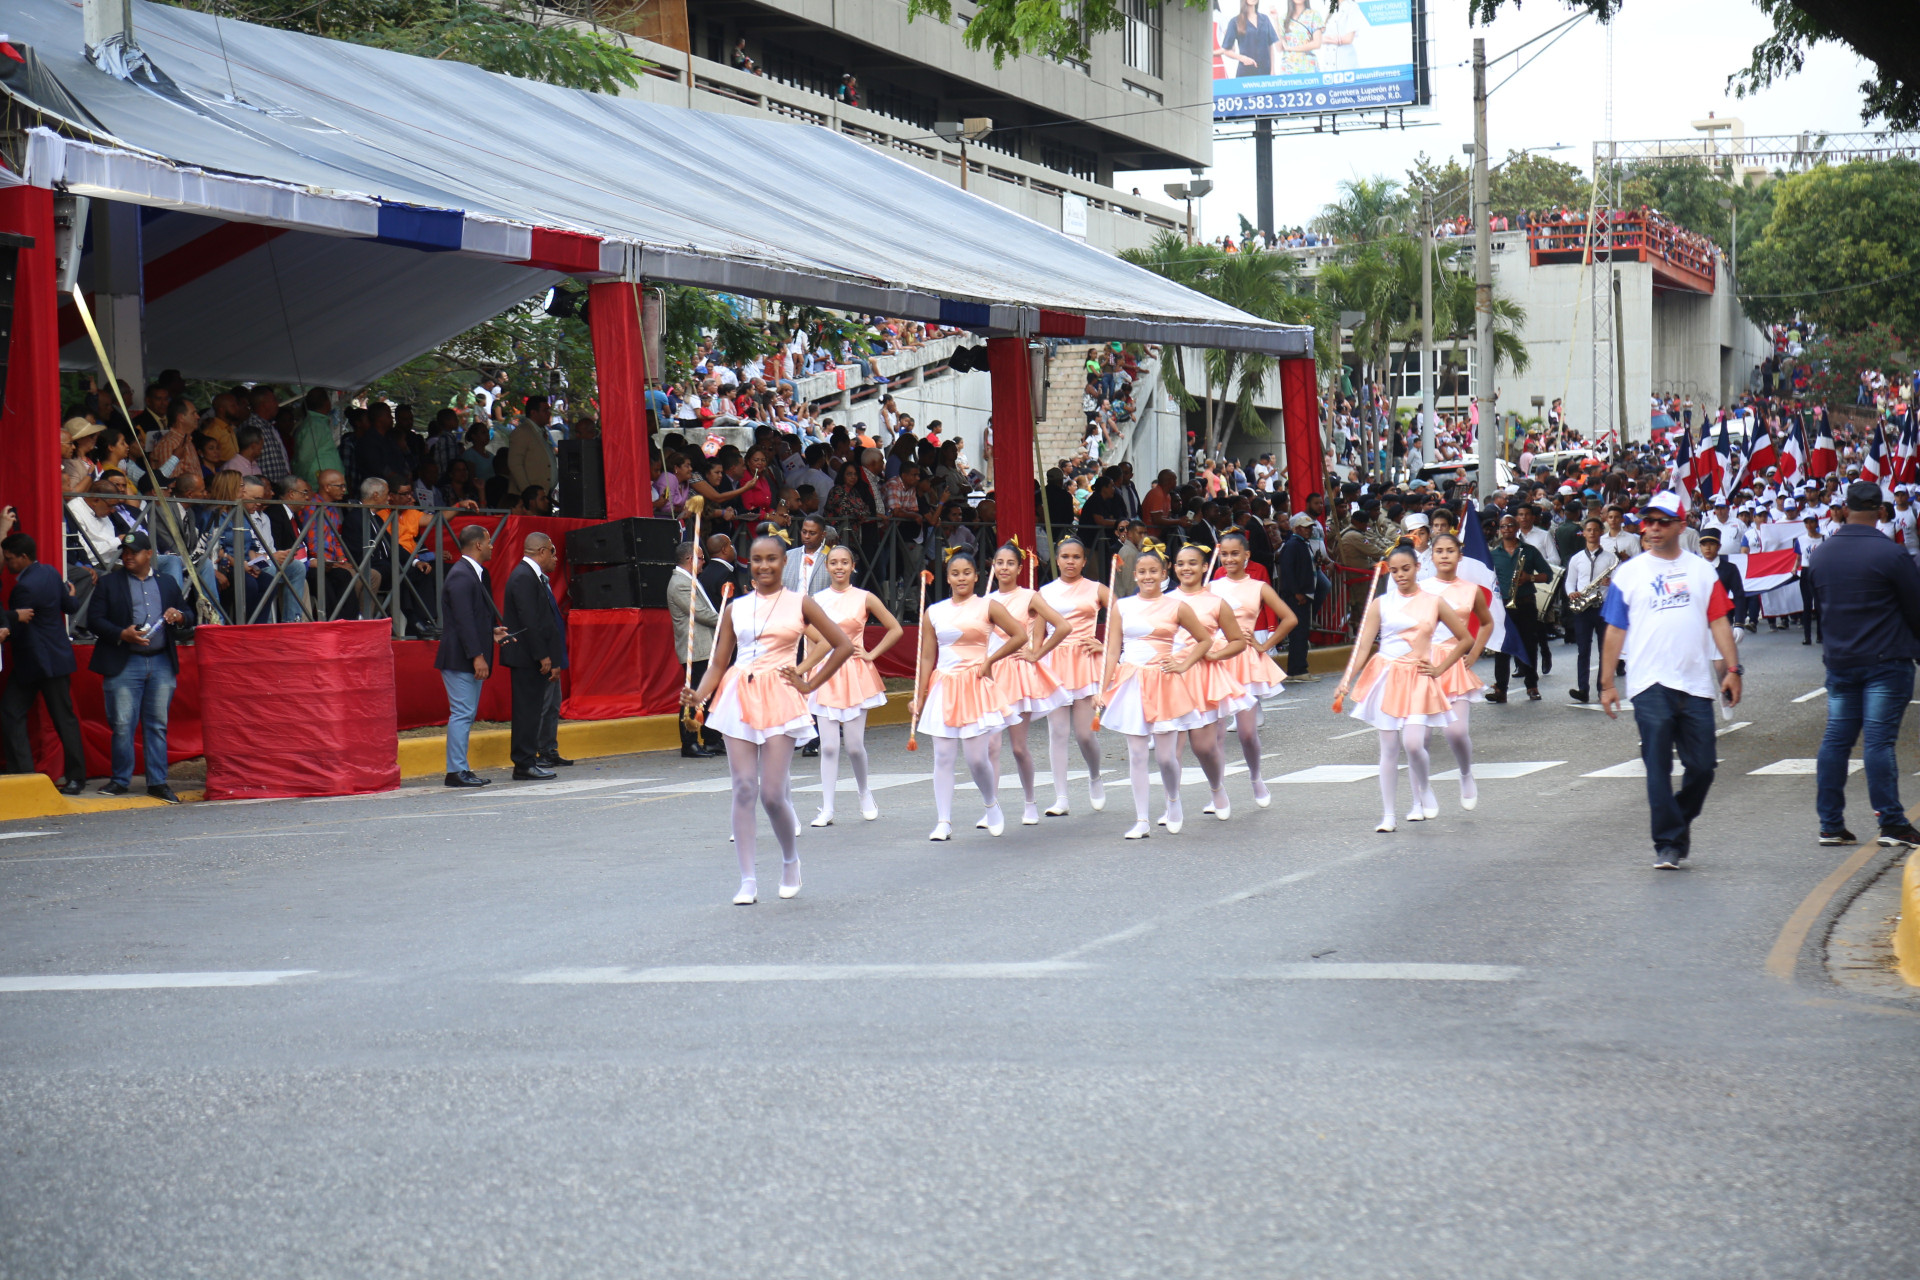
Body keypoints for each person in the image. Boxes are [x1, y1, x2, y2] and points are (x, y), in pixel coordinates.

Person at [683, 534, 855, 904]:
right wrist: (699, 696)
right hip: (738, 695)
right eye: (757, 559)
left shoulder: (800, 603)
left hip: (779, 696)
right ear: (750, 562)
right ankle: (747, 880)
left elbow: (842, 645)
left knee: (774, 794)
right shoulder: (736, 607)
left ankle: (790, 861)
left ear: (783, 563)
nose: (764, 566)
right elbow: (718, 663)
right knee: (744, 788)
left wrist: (809, 684)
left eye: (772, 559)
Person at [1598, 492, 1743, 870]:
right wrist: (1607, 683)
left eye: (1663, 522)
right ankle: (1667, 842)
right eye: (1649, 522)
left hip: (1695, 683)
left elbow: (1719, 621)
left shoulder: (1701, 571)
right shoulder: (1628, 574)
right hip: (1649, 683)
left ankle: (1677, 819)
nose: (1655, 528)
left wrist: (1732, 669)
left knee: (1703, 766)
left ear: (1680, 526)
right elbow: (1614, 630)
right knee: (1658, 763)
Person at [1806, 481, 1920, 847]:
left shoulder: (1821, 554)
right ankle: (1891, 823)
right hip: (1886, 658)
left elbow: (1819, 605)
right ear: (1882, 512)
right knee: (1879, 741)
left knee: (1836, 739)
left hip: (1840, 659)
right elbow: (1915, 608)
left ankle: (1830, 823)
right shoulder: (1892, 554)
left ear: (1844, 509)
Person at [1336, 546, 1474, 833]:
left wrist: (1440, 668)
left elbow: (1465, 639)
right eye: (1394, 570)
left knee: (1413, 743)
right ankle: (1388, 815)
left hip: (1418, 677)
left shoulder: (1434, 602)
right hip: (1386, 677)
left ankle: (1424, 788)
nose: (1400, 575)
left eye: (1406, 569)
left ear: (1417, 567)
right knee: (1388, 748)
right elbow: (1364, 646)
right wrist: (1347, 678)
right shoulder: (1381, 604)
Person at [1096, 546, 1214, 839]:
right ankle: (1141, 820)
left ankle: (1173, 801)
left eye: (1153, 571)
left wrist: (1183, 664)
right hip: (1131, 681)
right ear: (1134, 575)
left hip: (1164, 683)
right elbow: (1112, 651)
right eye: (1142, 572)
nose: (1148, 576)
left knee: (1165, 758)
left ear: (1164, 574)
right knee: (1137, 755)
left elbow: (1204, 640)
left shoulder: (1177, 606)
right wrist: (1103, 687)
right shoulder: (1122, 606)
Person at [912, 550, 1027, 841]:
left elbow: (1020, 635)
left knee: (977, 759)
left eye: (966, 573)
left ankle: (991, 804)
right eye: (955, 573)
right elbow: (927, 657)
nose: (961, 578)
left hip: (976, 685)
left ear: (976, 576)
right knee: (943, 756)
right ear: (948, 578)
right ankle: (943, 820)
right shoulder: (934, 612)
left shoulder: (988, 605)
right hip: (944, 686)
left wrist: (991, 660)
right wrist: (920, 695)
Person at [797, 544, 903, 825]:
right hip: (824, 673)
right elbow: (811, 640)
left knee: (854, 746)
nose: (839, 567)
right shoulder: (816, 600)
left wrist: (871, 654)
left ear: (853, 566)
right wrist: (807, 674)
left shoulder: (864, 597)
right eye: (834, 562)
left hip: (855, 673)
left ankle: (864, 792)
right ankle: (827, 808)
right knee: (829, 747)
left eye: (844, 562)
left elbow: (895, 628)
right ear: (827, 567)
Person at [86, 532, 194, 802]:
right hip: (125, 660)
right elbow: (94, 620)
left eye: (133, 552)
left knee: (157, 724)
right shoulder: (109, 583)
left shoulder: (167, 582)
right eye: (125, 552)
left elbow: (188, 613)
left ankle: (157, 782)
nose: (128, 556)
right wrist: (121, 634)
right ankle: (120, 779)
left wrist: (179, 616)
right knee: (123, 724)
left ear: (149, 554)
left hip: (160, 660)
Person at [1209, 531, 1298, 806]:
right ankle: (1217, 791)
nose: (1229, 559)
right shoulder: (1211, 587)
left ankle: (1256, 778)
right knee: (1216, 733)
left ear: (1247, 555)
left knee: (1247, 733)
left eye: (1235, 554)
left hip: (1244, 660)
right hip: (1217, 659)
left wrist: (1264, 646)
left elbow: (1289, 618)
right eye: (1225, 554)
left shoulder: (1259, 587)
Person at [985, 542, 1071, 827]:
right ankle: (991, 807)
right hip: (991, 674)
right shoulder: (986, 601)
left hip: (1017, 674)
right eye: (1000, 562)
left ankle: (1030, 802)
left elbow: (1063, 626)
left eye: (1010, 563)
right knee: (991, 746)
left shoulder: (1030, 597)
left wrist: (1037, 654)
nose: (1004, 568)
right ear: (993, 566)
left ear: (1020, 568)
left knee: (1018, 748)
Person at [1170, 544, 1252, 821]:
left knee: (1204, 747)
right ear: (1174, 568)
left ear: (1205, 567)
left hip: (1202, 676)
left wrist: (1215, 655)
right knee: (1171, 748)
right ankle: (1172, 803)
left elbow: (1238, 641)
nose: (1186, 568)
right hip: (1171, 676)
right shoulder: (1165, 600)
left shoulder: (1216, 602)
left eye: (1193, 563)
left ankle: (1217, 787)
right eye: (1181, 563)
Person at [0, 534, 86, 793]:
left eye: (10, 559)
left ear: (24, 557)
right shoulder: (50, 572)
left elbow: (20, 624)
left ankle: (23, 772)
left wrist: (7, 623)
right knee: (64, 719)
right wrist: (72, 595)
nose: (7, 564)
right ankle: (75, 777)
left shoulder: (23, 588)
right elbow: (70, 606)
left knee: (12, 712)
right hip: (55, 659)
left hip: (33, 661)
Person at [1417, 533, 1495, 809]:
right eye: (1439, 551)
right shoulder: (1421, 588)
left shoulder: (1471, 590)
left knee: (1457, 732)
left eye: (1450, 550)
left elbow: (1486, 623)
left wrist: (1474, 653)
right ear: (1432, 556)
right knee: (1421, 737)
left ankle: (1465, 773)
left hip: (1454, 664)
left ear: (1460, 556)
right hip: (1425, 664)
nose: (1445, 555)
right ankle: (1421, 791)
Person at [1037, 537, 1110, 816]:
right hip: (1053, 662)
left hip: (1084, 661)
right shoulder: (1044, 593)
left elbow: (1124, 619)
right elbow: (1038, 634)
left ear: (1084, 560)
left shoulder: (1096, 588)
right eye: (1065, 556)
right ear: (1057, 560)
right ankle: (1061, 798)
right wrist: (1033, 659)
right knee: (1057, 732)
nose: (1070, 561)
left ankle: (1095, 775)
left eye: (1076, 557)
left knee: (1084, 734)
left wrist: (1107, 647)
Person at [436, 525, 508, 788]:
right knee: (462, 713)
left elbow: (474, 617)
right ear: (478, 545)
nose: (492, 546)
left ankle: (461, 768)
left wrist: (491, 632)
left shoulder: (474, 573)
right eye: (489, 542)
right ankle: (456, 771)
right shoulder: (461, 576)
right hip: (460, 657)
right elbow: (463, 621)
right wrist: (478, 655)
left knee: (465, 713)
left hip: (466, 655)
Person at [502, 533, 570, 780]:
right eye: (552, 551)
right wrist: (543, 655)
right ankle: (523, 763)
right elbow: (530, 620)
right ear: (541, 551)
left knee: (532, 710)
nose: (554, 557)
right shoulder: (523, 576)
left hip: (532, 655)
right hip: (526, 657)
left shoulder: (533, 576)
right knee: (526, 711)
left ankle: (528, 760)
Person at [1488, 512, 1549, 702]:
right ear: (1499, 530)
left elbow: (1547, 575)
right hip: (1503, 607)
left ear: (1516, 528)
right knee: (1502, 648)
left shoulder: (1529, 551)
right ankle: (1501, 689)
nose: (1506, 529)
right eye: (1503, 526)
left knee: (1529, 646)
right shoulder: (1493, 555)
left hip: (1525, 604)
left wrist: (1529, 577)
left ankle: (1532, 686)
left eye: (1510, 525)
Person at [1562, 517, 1619, 703]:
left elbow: (1621, 583)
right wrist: (1571, 593)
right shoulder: (1577, 559)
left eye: (1596, 530)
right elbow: (1570, 582)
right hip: (1583, 608)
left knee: (1605, 650)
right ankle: (1583, 689)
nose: (1592, 533)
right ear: (1584, 533)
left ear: (1601, 532)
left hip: (1603, 607)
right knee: (1583, 650)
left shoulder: (1611, 559)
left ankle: (1603, 688)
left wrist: (1612, 582)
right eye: (1589, 530)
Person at [782, 515, 833, 594]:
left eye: (812, 533)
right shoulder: (788, 556)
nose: (807, 536)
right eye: (804, 532)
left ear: (823, 535)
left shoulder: (831, 558)